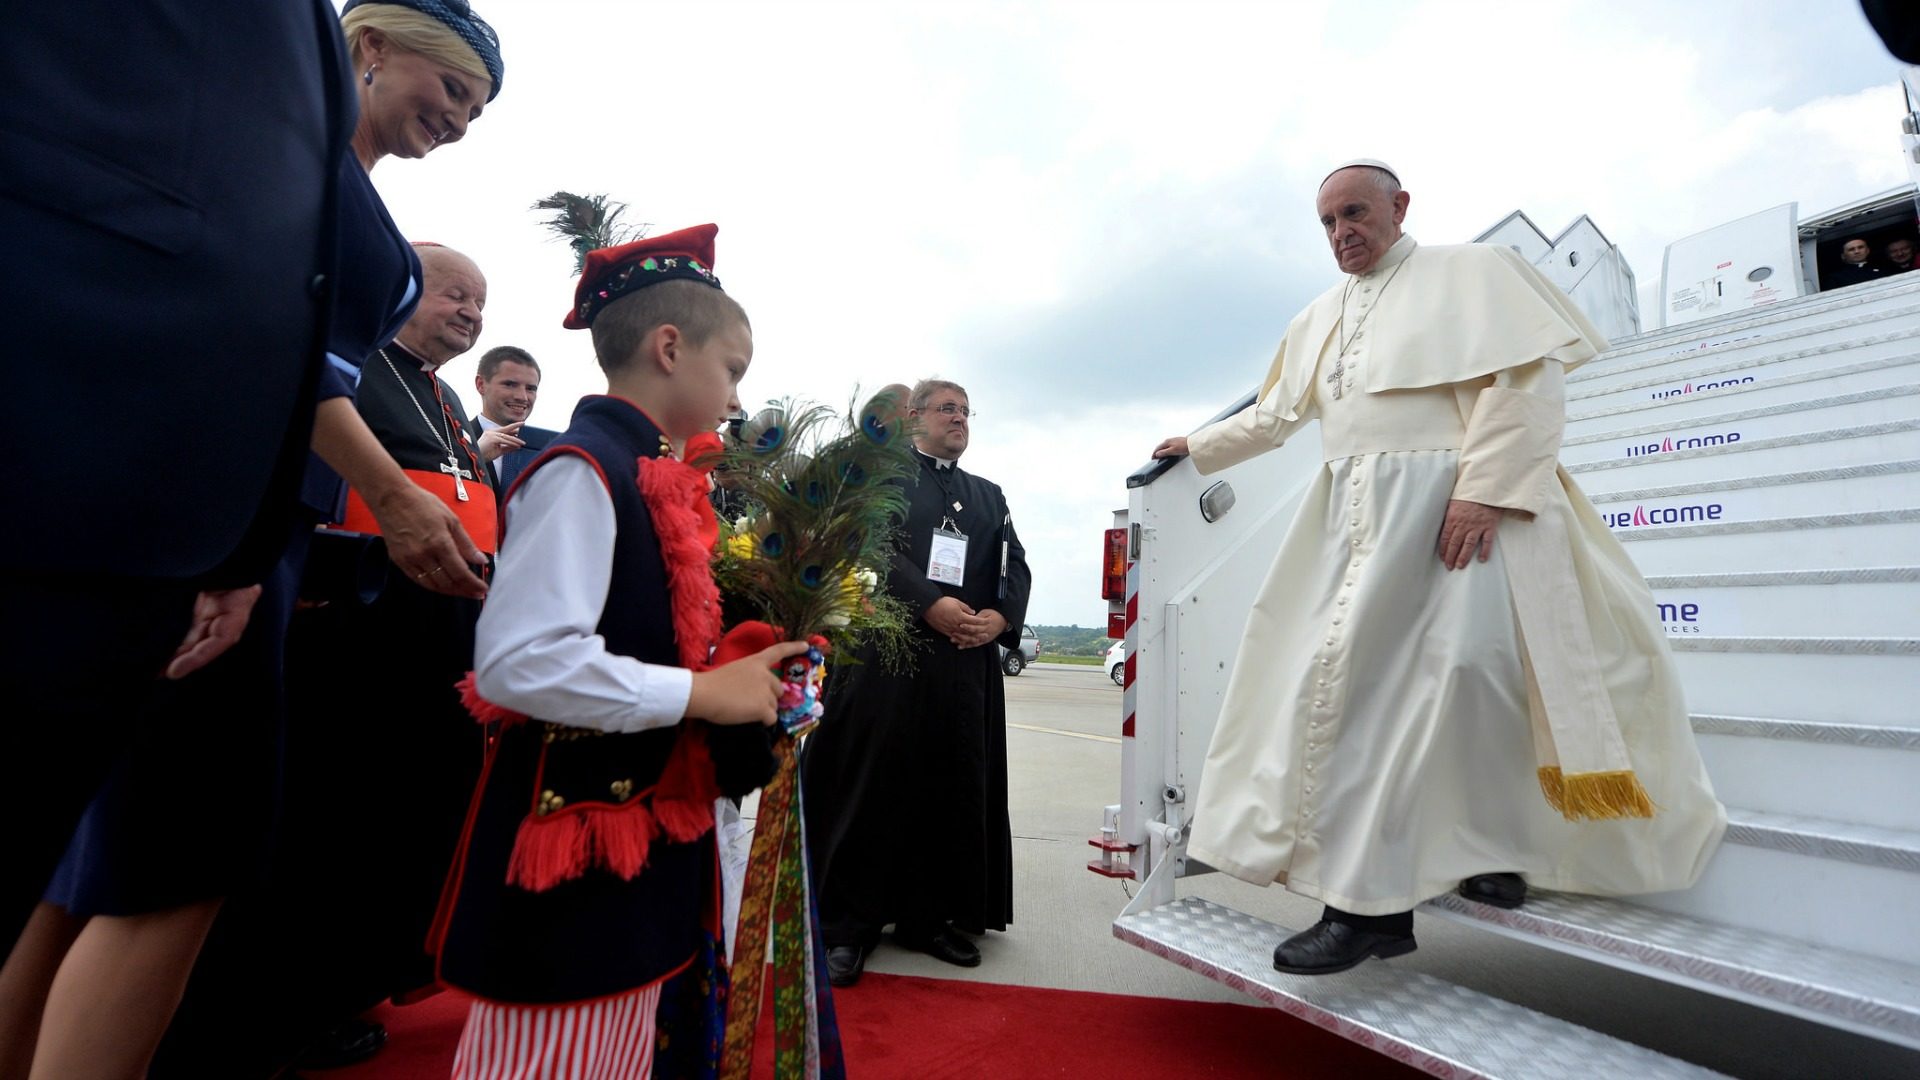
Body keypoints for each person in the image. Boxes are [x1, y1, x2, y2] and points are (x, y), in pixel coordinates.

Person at [1150, 160, 1724, 976]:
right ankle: (1367, 904)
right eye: (1328, 222)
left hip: (1459, 510)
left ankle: (1478, 852)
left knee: (1474, 681)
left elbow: (1523, 387)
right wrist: (1197, 446)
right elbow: (1278, 413)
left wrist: (1481, 494)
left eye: (1355, 212)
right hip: (1353, 519)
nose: (1342, 231)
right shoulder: (1317, 315)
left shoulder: (1474, 273)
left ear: (1399, 207)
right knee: (1354, 696)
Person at [433, 224, 808, 1077]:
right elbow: (520, 664)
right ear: (670, 347)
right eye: (734, 369)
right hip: (569, 848)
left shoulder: (640, 473)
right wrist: (703, 696)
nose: (739, 399)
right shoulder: (583, 469)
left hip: (627, 835)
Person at [802, 379, 1032, 987]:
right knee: (873, 784)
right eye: (946, 409)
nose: (959, 419)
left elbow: (1016, 563)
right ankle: (847, 927)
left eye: (965, 411)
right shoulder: (879, 477)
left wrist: (1001, 619)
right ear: (912, 418)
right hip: (886, 662)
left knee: (948, 787)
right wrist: (930, 603)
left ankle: (927, 919)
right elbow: (867, 545)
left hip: (963, 668)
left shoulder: (989, 495)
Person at [468, 344, 557, 490]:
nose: (522, 397)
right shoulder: (451, 441)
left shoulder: (549, 451)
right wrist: (474, 457)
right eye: (510, 385)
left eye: (530, 389)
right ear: (481, 384)